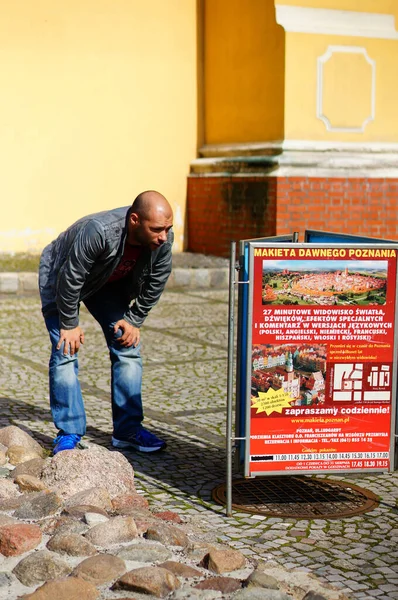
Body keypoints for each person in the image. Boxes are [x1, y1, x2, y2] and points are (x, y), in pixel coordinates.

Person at [39, 190, 173, 455]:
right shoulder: (98, 231)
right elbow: (71, 276)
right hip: (61, 276)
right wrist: (69, 322)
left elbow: (158, 278)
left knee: (127, 346)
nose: (164, 236)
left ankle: (127, 431)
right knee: (66, 349)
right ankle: (69, 433)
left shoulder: (161, 238)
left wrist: (134, 319)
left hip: (107, 284)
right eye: (157, 229)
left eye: (168, 228)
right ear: (134, 220)